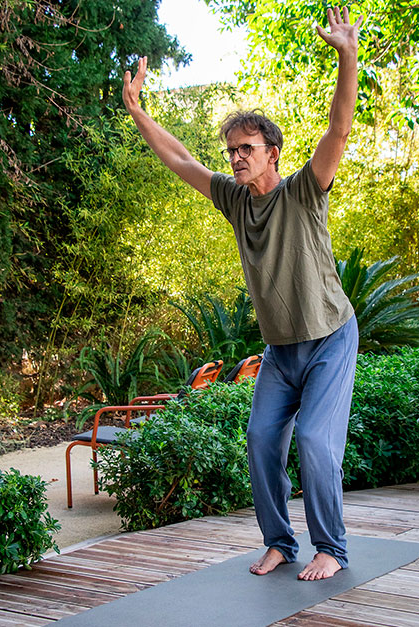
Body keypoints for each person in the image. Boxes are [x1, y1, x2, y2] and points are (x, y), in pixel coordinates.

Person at [121, 7, 362, 581]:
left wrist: (347, 56)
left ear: (271, 152)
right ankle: (280, 540)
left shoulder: (305, 190)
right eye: (231, 150)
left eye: (246, 148)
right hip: (282, 350)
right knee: (259, 438)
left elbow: (339, 130)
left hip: (330, 336)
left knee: (313, 441)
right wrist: (139, 114)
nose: (235, 157)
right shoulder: (234, 200)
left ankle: (333, 547)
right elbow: (182, 158)